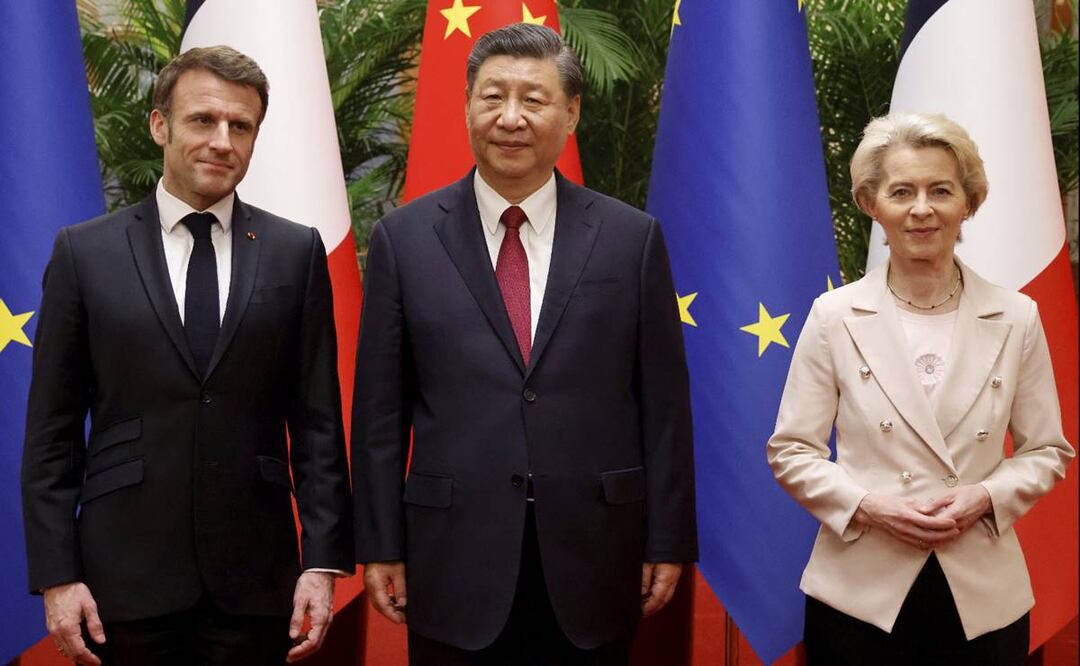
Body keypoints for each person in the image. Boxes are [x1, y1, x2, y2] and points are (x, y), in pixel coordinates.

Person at [351, 23, 697, 665]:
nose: (511, 117)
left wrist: (667, 540)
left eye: (533, 100)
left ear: (569, 113)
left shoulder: (631, 239)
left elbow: (664, 408)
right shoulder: (405, 239)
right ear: (467, 106)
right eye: (492, 97)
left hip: (595, 551)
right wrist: (380, 543)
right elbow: (379, 414)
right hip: (452, 555)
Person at [21, 46, 353, 665]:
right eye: (203, 120)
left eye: (241, 126)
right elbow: (52, 433)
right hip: (121, 582)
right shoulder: (83, 254)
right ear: (159, 125)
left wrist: (323, 563)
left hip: (258, 584)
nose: (223, 141)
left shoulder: (294, 252)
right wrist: (57, 577)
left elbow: (318, 426)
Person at [767, 111, 1074, 665]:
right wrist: (869, 505)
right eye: (901, 191)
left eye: (941, 190)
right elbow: (792, 451)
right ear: (871, 204)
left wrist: (985, 496)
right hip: (860, 594)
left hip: (981, 593)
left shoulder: (1016, 316)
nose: (922, 209)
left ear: (969, 203)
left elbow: (1047, 451)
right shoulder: (834, 316)